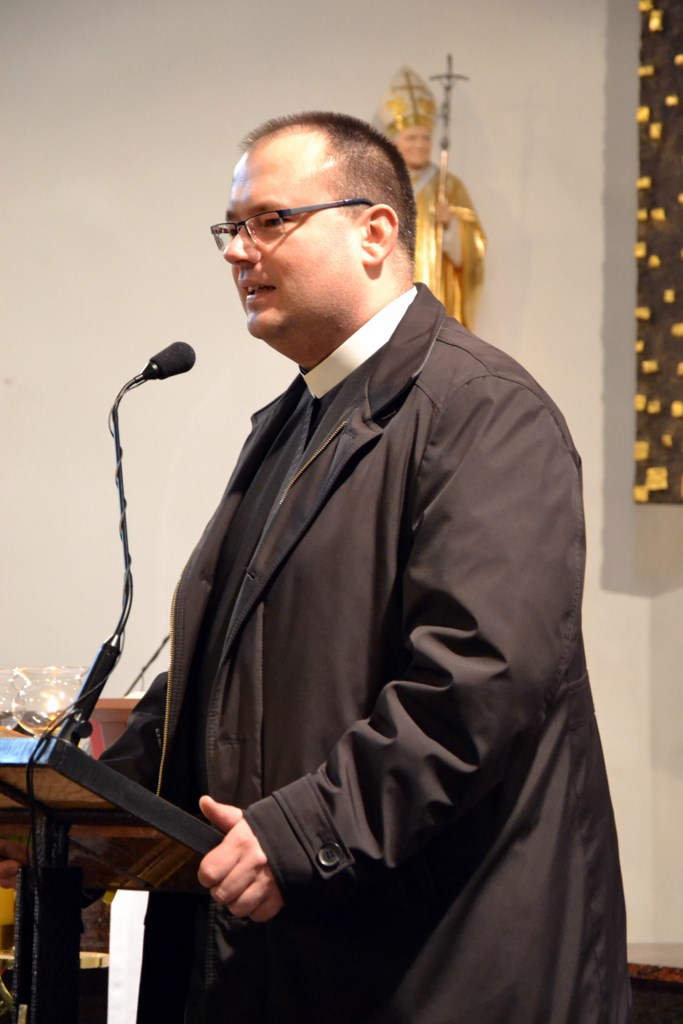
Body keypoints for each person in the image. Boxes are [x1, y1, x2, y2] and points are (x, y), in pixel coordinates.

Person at [2, 110, 632, 1023]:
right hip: (294, 957)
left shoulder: (482, 410)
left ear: (375, 232)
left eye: (269, 221)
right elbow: (216, 685)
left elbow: (480, 680)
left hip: (440, 964)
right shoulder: (294, 422)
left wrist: (306, 831)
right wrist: (70, 805)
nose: (237, 251)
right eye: (231, 228)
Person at [380, 66, 486, 330]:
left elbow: (474, 248)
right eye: (412, 137)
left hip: (436, 288)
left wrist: (452, 226)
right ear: (395, 141)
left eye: (425, 138)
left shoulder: (448, 186)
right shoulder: (381, 183)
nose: (420, 145)